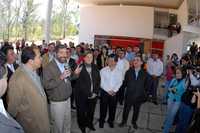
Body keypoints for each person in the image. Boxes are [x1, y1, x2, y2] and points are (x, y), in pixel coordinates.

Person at [7, 47, 50, 133]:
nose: (42, 59)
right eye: (39, 57)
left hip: (42, 122)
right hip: (31, 126)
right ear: (31, 61)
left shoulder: (33, 71)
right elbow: (12, 110)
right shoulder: (17, 79)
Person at [43, 44, 81, 133]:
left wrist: (75, 73)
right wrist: (60, 77)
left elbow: (69, 78)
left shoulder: (66, 64)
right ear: (55, 54)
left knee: (67, 124)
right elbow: (47, 85)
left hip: (67, 100)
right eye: (61, 53)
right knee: (57, 127)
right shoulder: (48, 67)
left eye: (66, 52)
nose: (64, 55)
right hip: (57, 102)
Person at [119, 55, 149, 129]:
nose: (135, 61)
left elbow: (146, 86)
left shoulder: (145, 74)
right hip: (129, 96)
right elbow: (125, 84)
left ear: (141, 62)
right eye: (134, 60)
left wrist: (144, 95)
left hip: (138, 97)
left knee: (136, 111)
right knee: (126, 110)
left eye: (138, 60)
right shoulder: (128, 72)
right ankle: (124, 121)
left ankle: (134, 122)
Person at [75, 51, 100, 133]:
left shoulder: (95, 67)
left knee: (91, 111)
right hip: (82, 96)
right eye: (87, 57)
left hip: (93, 95)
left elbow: (98, 81)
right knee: (81, 112)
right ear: (84, 58)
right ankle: (82, 125)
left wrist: (95, 92)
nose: (89, 59)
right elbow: (80, 84)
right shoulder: (79, 67)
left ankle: (89, 123)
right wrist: (89, 94)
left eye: (91, 57)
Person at [0, 51, 24, 133]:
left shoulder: (17, 66)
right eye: (11, 54)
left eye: (14, 53)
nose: (14, 55)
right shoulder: (4, 69)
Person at [99, 54, 123, 128]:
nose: (111, 62)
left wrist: (114, 90)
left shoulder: (119, 71)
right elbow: (101, 82)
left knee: (112, 108)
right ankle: (102, 121)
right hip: (104, 92)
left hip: (114, 93)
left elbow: (120, 82)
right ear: (107, 61)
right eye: (109, 60)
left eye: (113, 60)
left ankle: (111, 121)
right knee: (103, 108)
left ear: (116, 62)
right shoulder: (103, 70)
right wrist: (108, 90)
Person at [163, 67, 186, 133]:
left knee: (171, 116)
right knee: (168, 114)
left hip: (177, 102)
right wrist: (171, 90)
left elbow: (175, 90)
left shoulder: (184, 81)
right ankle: (166, 124)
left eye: (179, 73)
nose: (177, 74)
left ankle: (165, 130)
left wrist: (172, 89)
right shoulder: (174, 80)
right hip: (170, 99)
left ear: (182, 73)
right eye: (176, 73)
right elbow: (169, 88)